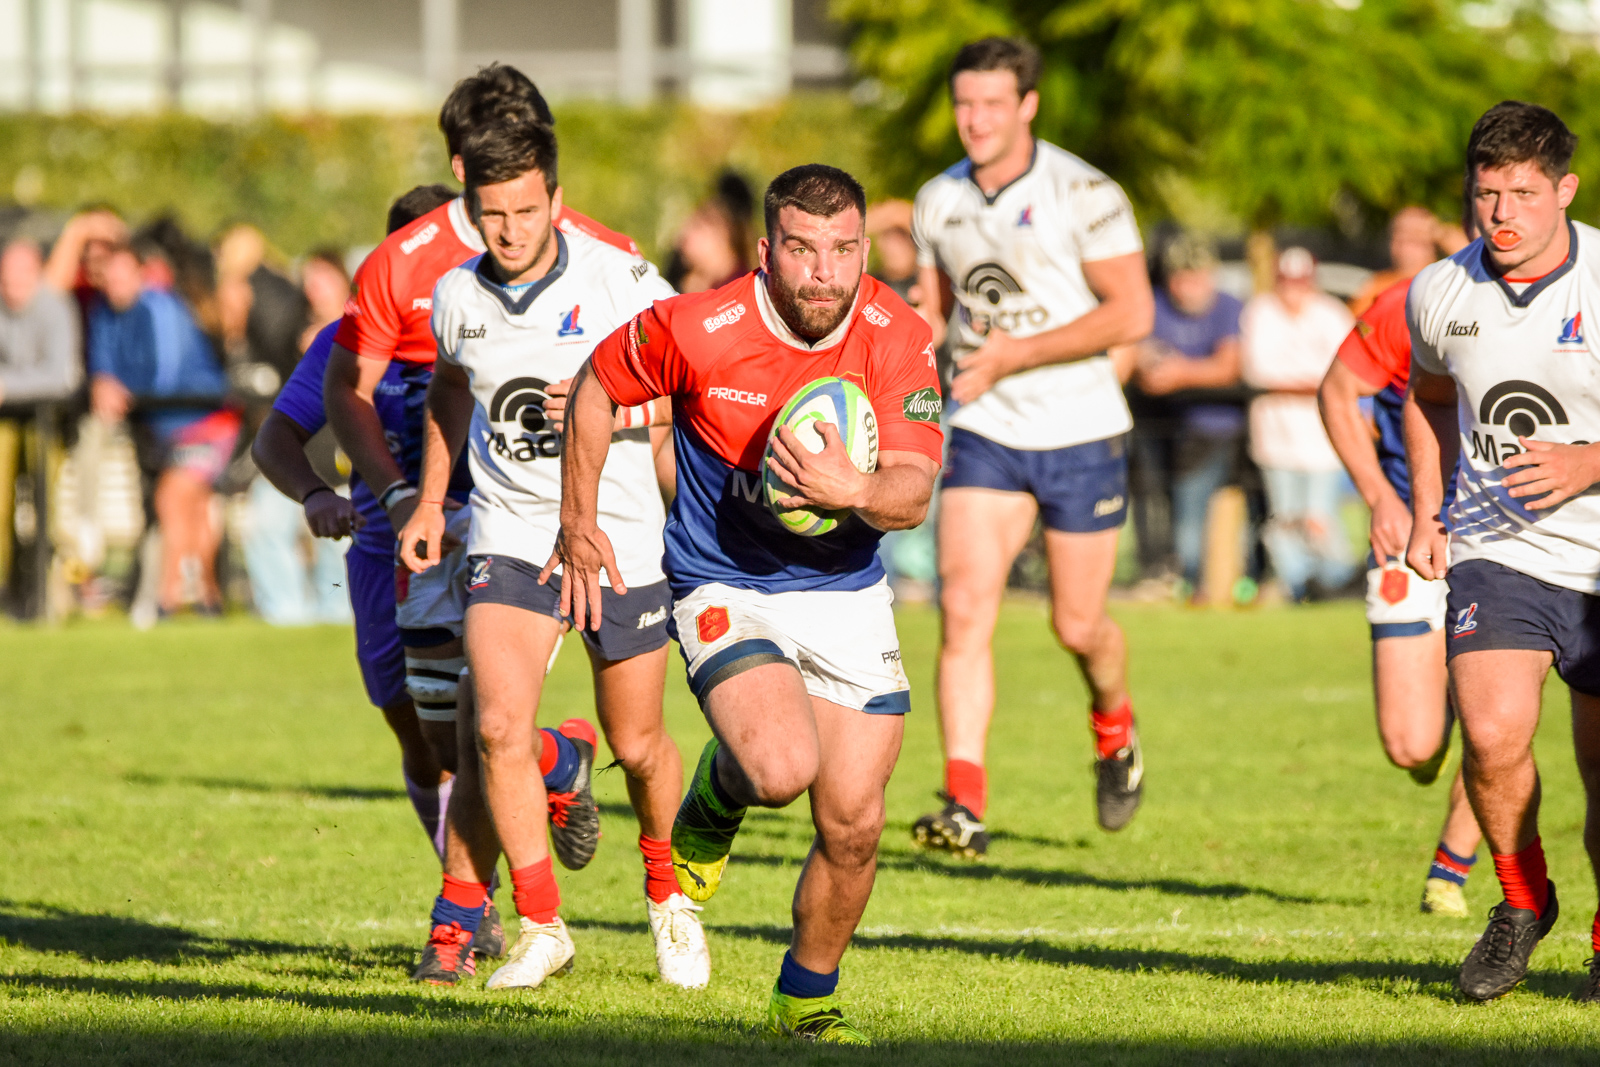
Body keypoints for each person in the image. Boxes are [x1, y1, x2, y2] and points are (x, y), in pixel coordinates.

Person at [552, 163, 941, 1044]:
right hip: (726, 579)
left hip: (846, 587)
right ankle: (718, 794)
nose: (824, 274)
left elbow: (913, 491)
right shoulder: (699, 327)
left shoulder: (897, 331)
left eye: (844, 252)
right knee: (778, 768)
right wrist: (578, 523)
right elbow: (595, 384)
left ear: (864, 249)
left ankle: (804, 998)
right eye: (804, 250)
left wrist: (855, 484)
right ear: (768, 251)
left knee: (856, 822)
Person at [397, 119, 703, 992]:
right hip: (509, 531)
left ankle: (666, 895)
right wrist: (429, 498)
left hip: (617, 532)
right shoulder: (457, 297)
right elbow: (451, 388)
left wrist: (613, 406)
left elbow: (689, 393)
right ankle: (541, 923)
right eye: (492, 214)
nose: (511, 231)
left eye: (527, 210)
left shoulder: (625, 283)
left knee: (638, 743)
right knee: (491, 724)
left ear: (557, 202)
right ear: (470, 211)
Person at [324, 63, 642, 775]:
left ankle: (473, 890)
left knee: (505, 722)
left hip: (550, 517)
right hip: (441, 519)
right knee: (448, 742)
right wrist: (405, 496)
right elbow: (344, 388)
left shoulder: (606, 254)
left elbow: (664, 373)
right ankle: (560, 762)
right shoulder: (400, 264)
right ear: (461, 166)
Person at [905, 37, 1155, 857]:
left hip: (1080, 428)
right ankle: (963, 802)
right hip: (986, 426)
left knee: (1078, 625)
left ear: (1028, 106)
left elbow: (1131, 314)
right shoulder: (937, 200)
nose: (973, 120)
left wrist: (1017, 351)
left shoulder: (1084, 192)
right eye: (963, 104)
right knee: (965, 604)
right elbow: (936, 317)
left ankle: (1115, 731)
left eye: (990, 104)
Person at [1404, 100, 1600, 1001]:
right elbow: (1430, 394)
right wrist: (1426, 506)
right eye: (1488, 194)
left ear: (1564, 189)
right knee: (1489, 736)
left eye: (1524, 192)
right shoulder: (1440, 291)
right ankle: (1523, 902)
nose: (1503, 214)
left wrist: (1586, 461)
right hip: (1499, 546)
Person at [251, 188, 473, 936]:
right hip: (383, 555)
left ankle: (472, 905)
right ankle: (473, 880)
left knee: (489, 721)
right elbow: (272, 439)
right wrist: (314, 493)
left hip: (487, 547)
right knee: (419, 736)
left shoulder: (494, 323)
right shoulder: (346, 339)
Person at [1318, 277, 1485, 918]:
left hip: (1507, 537)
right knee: (1410, 746)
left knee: (1496, 716)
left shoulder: (1578, 294)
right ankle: (1442, 716)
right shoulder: (1415, 303)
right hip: (1410, 529)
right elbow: (1336, 390)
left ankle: (1452, 868)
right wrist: (1381, 499)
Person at [88, 239, 237, 618]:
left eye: (124, 275)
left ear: (141, 274)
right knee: (193, 510)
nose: (116, 284)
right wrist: (102, 380)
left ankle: (166, 600)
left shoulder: (161, 308)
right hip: (168, 431)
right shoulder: (104, 313)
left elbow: (164, 375)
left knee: (171, 501)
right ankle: (208, 599)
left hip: (207, 423)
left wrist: (120, 387)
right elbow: (101, 362)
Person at [1240, 246, 1356, 602]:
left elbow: (1343, 373)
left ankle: (1334, 580)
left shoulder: (1331, 314)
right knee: (1284, 519)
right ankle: (1299, 584)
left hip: (1322, 439)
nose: (1293, 289)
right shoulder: (1260, 312)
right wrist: (1312, 382)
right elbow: (1257, 371)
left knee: (1319, 518)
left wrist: (1292, 383)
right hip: (1274, 438)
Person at [1133, 235, 1245, 599]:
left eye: (1194, 277)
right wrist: (1149, 364)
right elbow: (1138, 353)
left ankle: (1195, 584)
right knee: (1159, 508)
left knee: (1193, 514)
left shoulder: (1229, 306)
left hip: (1218, 431)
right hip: (1161, 430)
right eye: (1178, 278)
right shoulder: (1154, 303)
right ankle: (1175, 579)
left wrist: (1179, 372)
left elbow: (1228, 366)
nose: (1185, 288)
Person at [0, 236, 81, 605]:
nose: (10, 288)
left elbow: (58, 377)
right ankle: (6, 591)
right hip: (7, 420)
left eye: (18, 279)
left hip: (50, 419)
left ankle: (50, 593)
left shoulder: (55, 308)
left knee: (48, 507)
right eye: (5, 280)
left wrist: (7, 385)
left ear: (36, 274)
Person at [665, 171, 754, 293]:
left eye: (698, 226)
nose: (684, 232)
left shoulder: (741, 293)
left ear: (725, 235)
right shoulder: (679, 277)